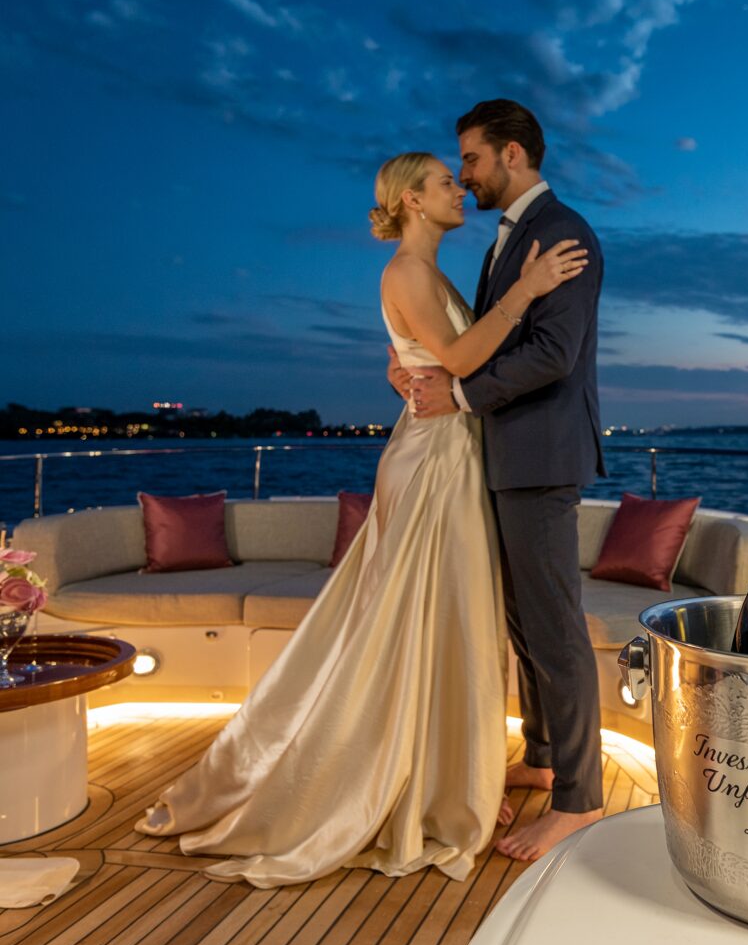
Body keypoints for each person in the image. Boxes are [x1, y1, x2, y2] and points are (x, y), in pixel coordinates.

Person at [134, 152, 587, 887]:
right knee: (414, 618)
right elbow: (461, 358)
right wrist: (526, 290)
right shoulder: (407, 271)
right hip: (434, 459)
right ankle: (404, 782)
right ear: (412, 200)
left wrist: (404, 364)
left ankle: (439, 776)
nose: (459, 187)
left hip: (449, 451)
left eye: (460, 173)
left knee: (441, 619)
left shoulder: (428, 272)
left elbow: (429, 357)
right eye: (445, 181)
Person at [391, 99, 607, 862]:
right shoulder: (507, 241)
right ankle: (544, 758)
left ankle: (580, 800)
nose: (467, 175)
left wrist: (458, 396)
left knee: (554, 629)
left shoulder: (564, 232)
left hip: (539, 458)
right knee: (524, 623)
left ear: (512, 155)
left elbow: (552, 354)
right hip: (504, 457)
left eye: (472, 159)